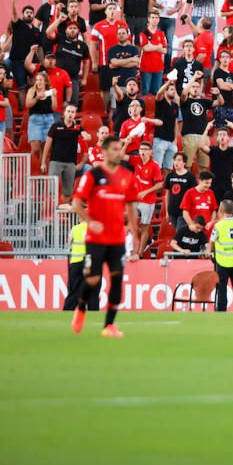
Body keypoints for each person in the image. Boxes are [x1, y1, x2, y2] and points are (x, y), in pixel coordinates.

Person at [69, 136, 138, 338]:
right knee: (93, 279)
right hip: (96, 239)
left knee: (117, 279)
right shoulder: (93, 175)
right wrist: (90, 222)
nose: (119, 152)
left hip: (117, 238)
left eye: (120, 149)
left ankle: (109, 326)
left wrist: (133, 231)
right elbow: (75, 203)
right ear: (105, 151)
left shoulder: (126, 176)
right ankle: (80, 309)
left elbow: (131, 206)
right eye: (115, 149)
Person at [43, 104, 83, 203]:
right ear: (64, 113)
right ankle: (51, 211)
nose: (70, 114)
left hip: (70, 163)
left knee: (68, 191)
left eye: (73, 112)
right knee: (52, 189)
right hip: (56, 161)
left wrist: (86, 135)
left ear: (75, 114)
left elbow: (84, 134)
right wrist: (43, 162)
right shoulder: (55, 127)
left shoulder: (77, 128)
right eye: (68, 111)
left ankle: (63, 213)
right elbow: (47, 145)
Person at [63, 220, 100, 311]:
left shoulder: (75, 229)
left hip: (76, 262)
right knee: (93, 292)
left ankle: (66, 313)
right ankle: (94, 315)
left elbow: (69, 246)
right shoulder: (96, 228)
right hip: (91, 262)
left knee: (74, 291)